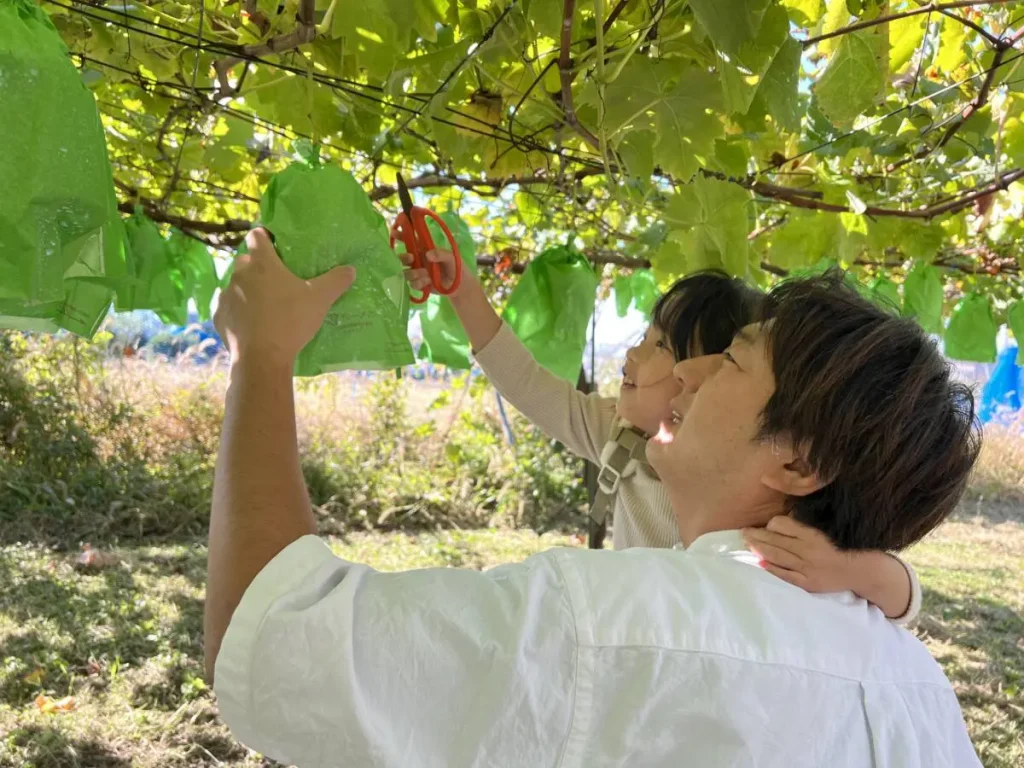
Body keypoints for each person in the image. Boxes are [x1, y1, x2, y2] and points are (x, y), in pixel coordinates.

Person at [206, 229, 981, 767]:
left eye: (733, 363)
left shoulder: (605, 625)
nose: (686, 373)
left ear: (802, 465)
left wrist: (263, 358)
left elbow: (270, 640)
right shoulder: (921, 693)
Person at [406, 251, 922, 622]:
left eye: (663, 346)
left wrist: (852, 569)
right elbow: (526, 383)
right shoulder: (621, 437)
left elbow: (899, 599)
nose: (634, 356)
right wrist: (464, 292)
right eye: (643, 338)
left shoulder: (764, 508)